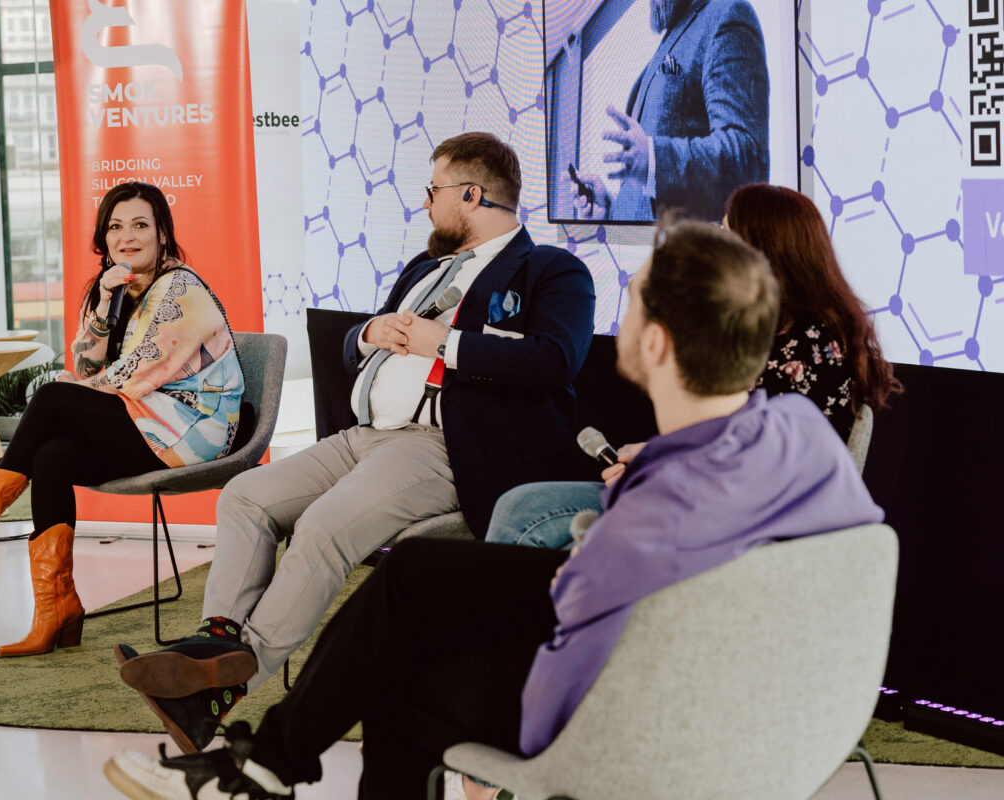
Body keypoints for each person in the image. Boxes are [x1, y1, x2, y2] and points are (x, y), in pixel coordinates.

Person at [100, 219, 885, 800]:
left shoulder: (651, 517)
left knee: (405, 683)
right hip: (724, 671)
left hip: (628, 705)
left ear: (654, 345)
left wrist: (606, 529)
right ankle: (262, 765)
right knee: (416, 570)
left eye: (637, 298)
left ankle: (256, 765)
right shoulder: (794, 435)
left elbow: (557, 680)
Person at [111, 131, 596, 753]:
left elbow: (557, 360)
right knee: (244, 496)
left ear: (472, 194)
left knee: (324, 526)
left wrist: (440, 344)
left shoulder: (552, 270)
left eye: (434, 191)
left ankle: (221, 686)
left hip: (441, 447)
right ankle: (216, 643)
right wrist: (368, 332)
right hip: (363, 436)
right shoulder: (424, 269)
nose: (425, 204)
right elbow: (354, 351)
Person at [0, 181, 244, 657]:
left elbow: (131, 375)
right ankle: (55, 610)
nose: (127, 236)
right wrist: (103, 303)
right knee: (52, 455)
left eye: (141, 225)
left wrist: (64, 396)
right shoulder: (126, 288)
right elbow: (90, 367)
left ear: (163, 233)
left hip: (190, 430)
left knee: (54, 400)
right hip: (147, 420)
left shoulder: (179, 288)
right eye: (116, 227)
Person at [486, 182, 901, 551]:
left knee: (522, 516)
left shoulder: (801, 339)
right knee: (519, 505)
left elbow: (755, 464)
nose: (716, 242)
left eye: (725, 232)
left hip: (731, 519)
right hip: (716, 499)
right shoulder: (806, 329)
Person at [570, 0, 769, 222]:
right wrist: (613, 210)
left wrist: (655, 160)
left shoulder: (727, 14)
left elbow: (747, 158)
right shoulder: (673, 38)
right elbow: (651, 196)